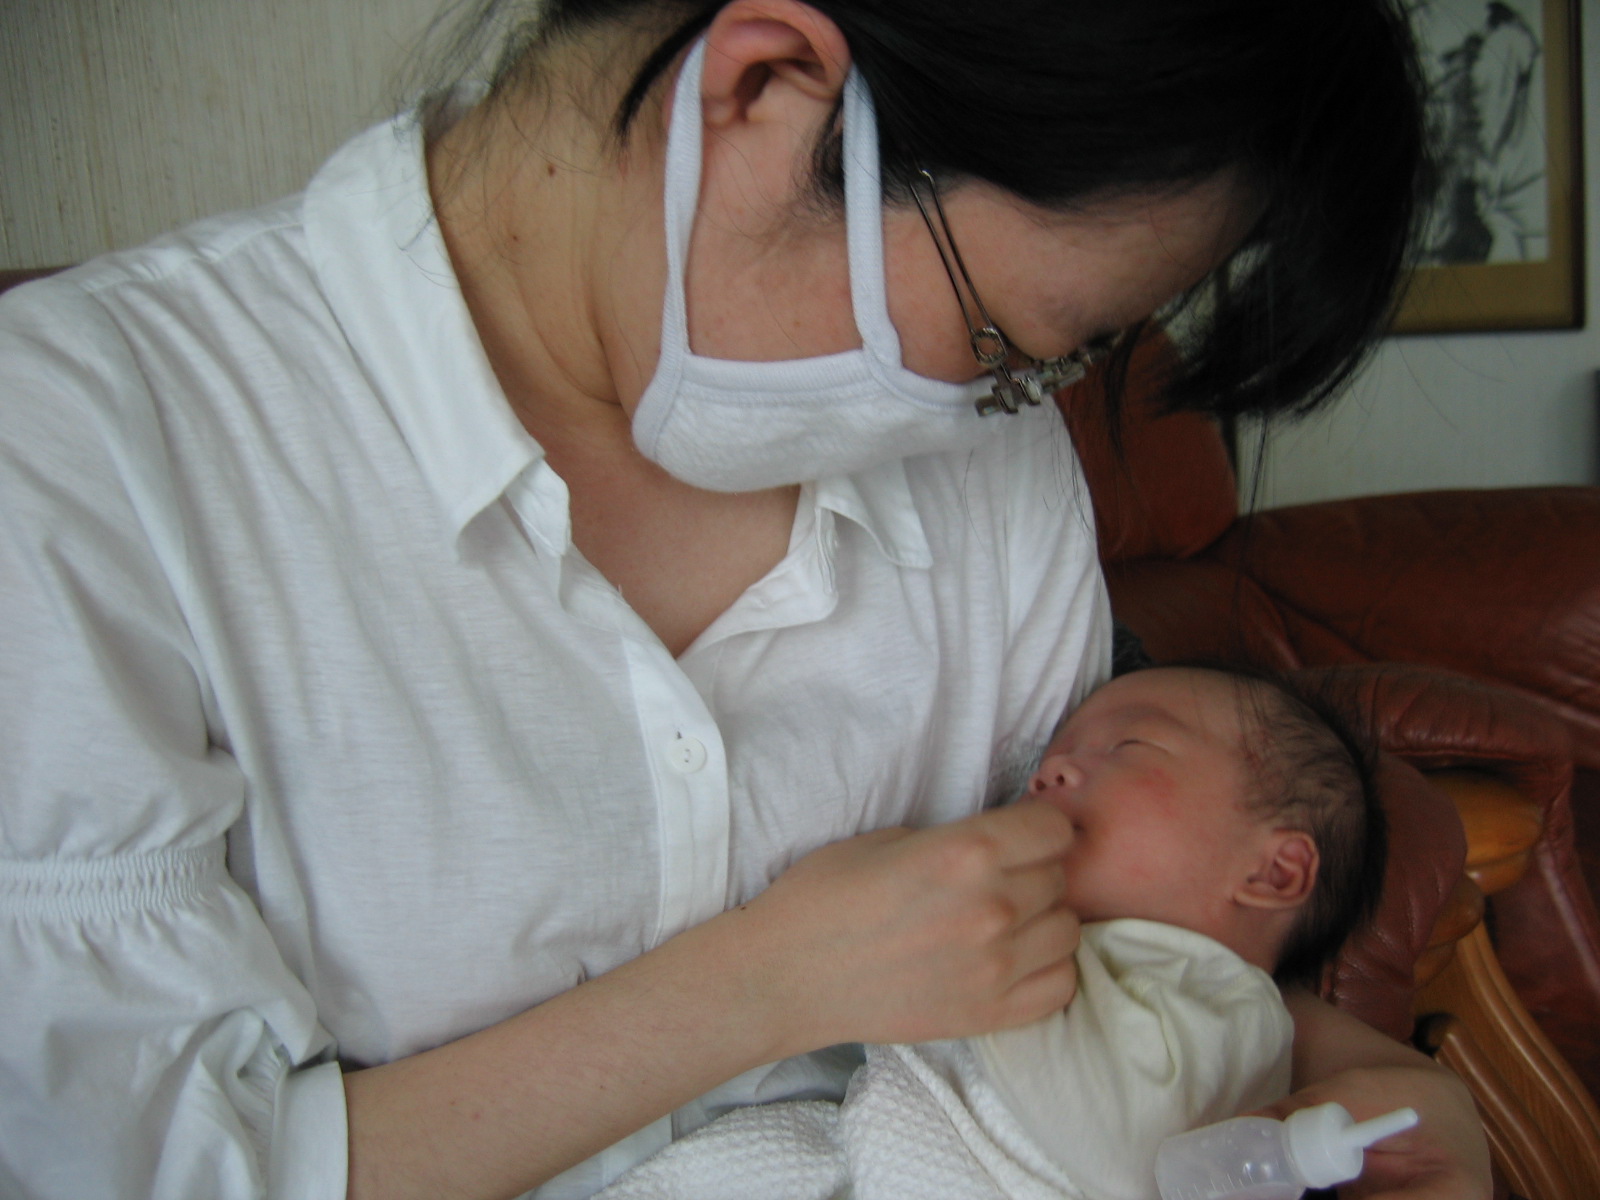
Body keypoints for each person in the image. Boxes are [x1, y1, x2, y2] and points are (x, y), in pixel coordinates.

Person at [0, 2, 1487, 1199]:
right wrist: (759, 989)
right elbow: (139, 1166)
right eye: (1011, 340)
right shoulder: (84, 449)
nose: (1016, 407)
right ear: (762, 91)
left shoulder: (995, 461)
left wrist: (1366, 1072)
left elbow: (1076, 922)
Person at [587, 664, 1387, 1200]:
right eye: (1055, 752)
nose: (1050, 771)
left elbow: (1132, 1155)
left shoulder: (1228, 1010)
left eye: (1129, 746)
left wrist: (973, 954)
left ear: (1275, 872)